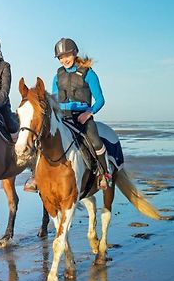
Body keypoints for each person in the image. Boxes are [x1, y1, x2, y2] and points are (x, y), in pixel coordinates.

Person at [23, 37, 111, 192]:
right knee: (42, 139)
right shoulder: (57, 77)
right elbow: (55, 101)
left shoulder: (89, 74)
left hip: (83, 116)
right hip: (63, 116)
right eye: (61, 57)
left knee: (96, 141)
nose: (65, 60)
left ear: (75, 53)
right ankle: (36, 175)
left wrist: (89, 112)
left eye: (67, 55)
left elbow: (100, 100)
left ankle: (104, 173)